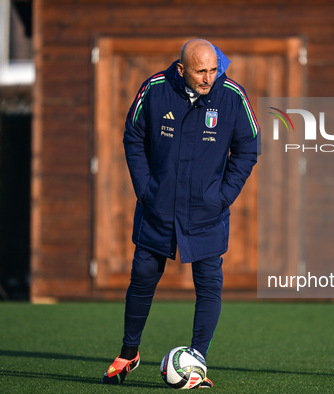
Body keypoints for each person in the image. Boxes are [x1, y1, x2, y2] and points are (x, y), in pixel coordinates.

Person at [102, 39, 259, 387]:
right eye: (200, 71)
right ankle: (129, 353)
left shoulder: (232, 95)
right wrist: (146, 190)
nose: (208, 78)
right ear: (181, 69)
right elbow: (133, 137)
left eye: (213, 70)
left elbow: (248, 148)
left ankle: (197, 361)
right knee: (142, 278)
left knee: (209, 285)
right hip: (157, 210)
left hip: (208, 211)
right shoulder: (154, 89)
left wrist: (222, 196)